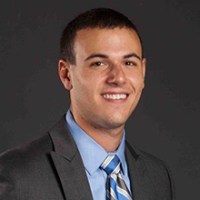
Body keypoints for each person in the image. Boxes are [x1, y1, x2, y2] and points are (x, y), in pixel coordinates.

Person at [0, 8, 174, 200]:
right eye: (99, 63)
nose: (118, 77)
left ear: (143, 72)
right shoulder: (15, 176)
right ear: (66, 74)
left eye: (129, 63)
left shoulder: (157, 177)